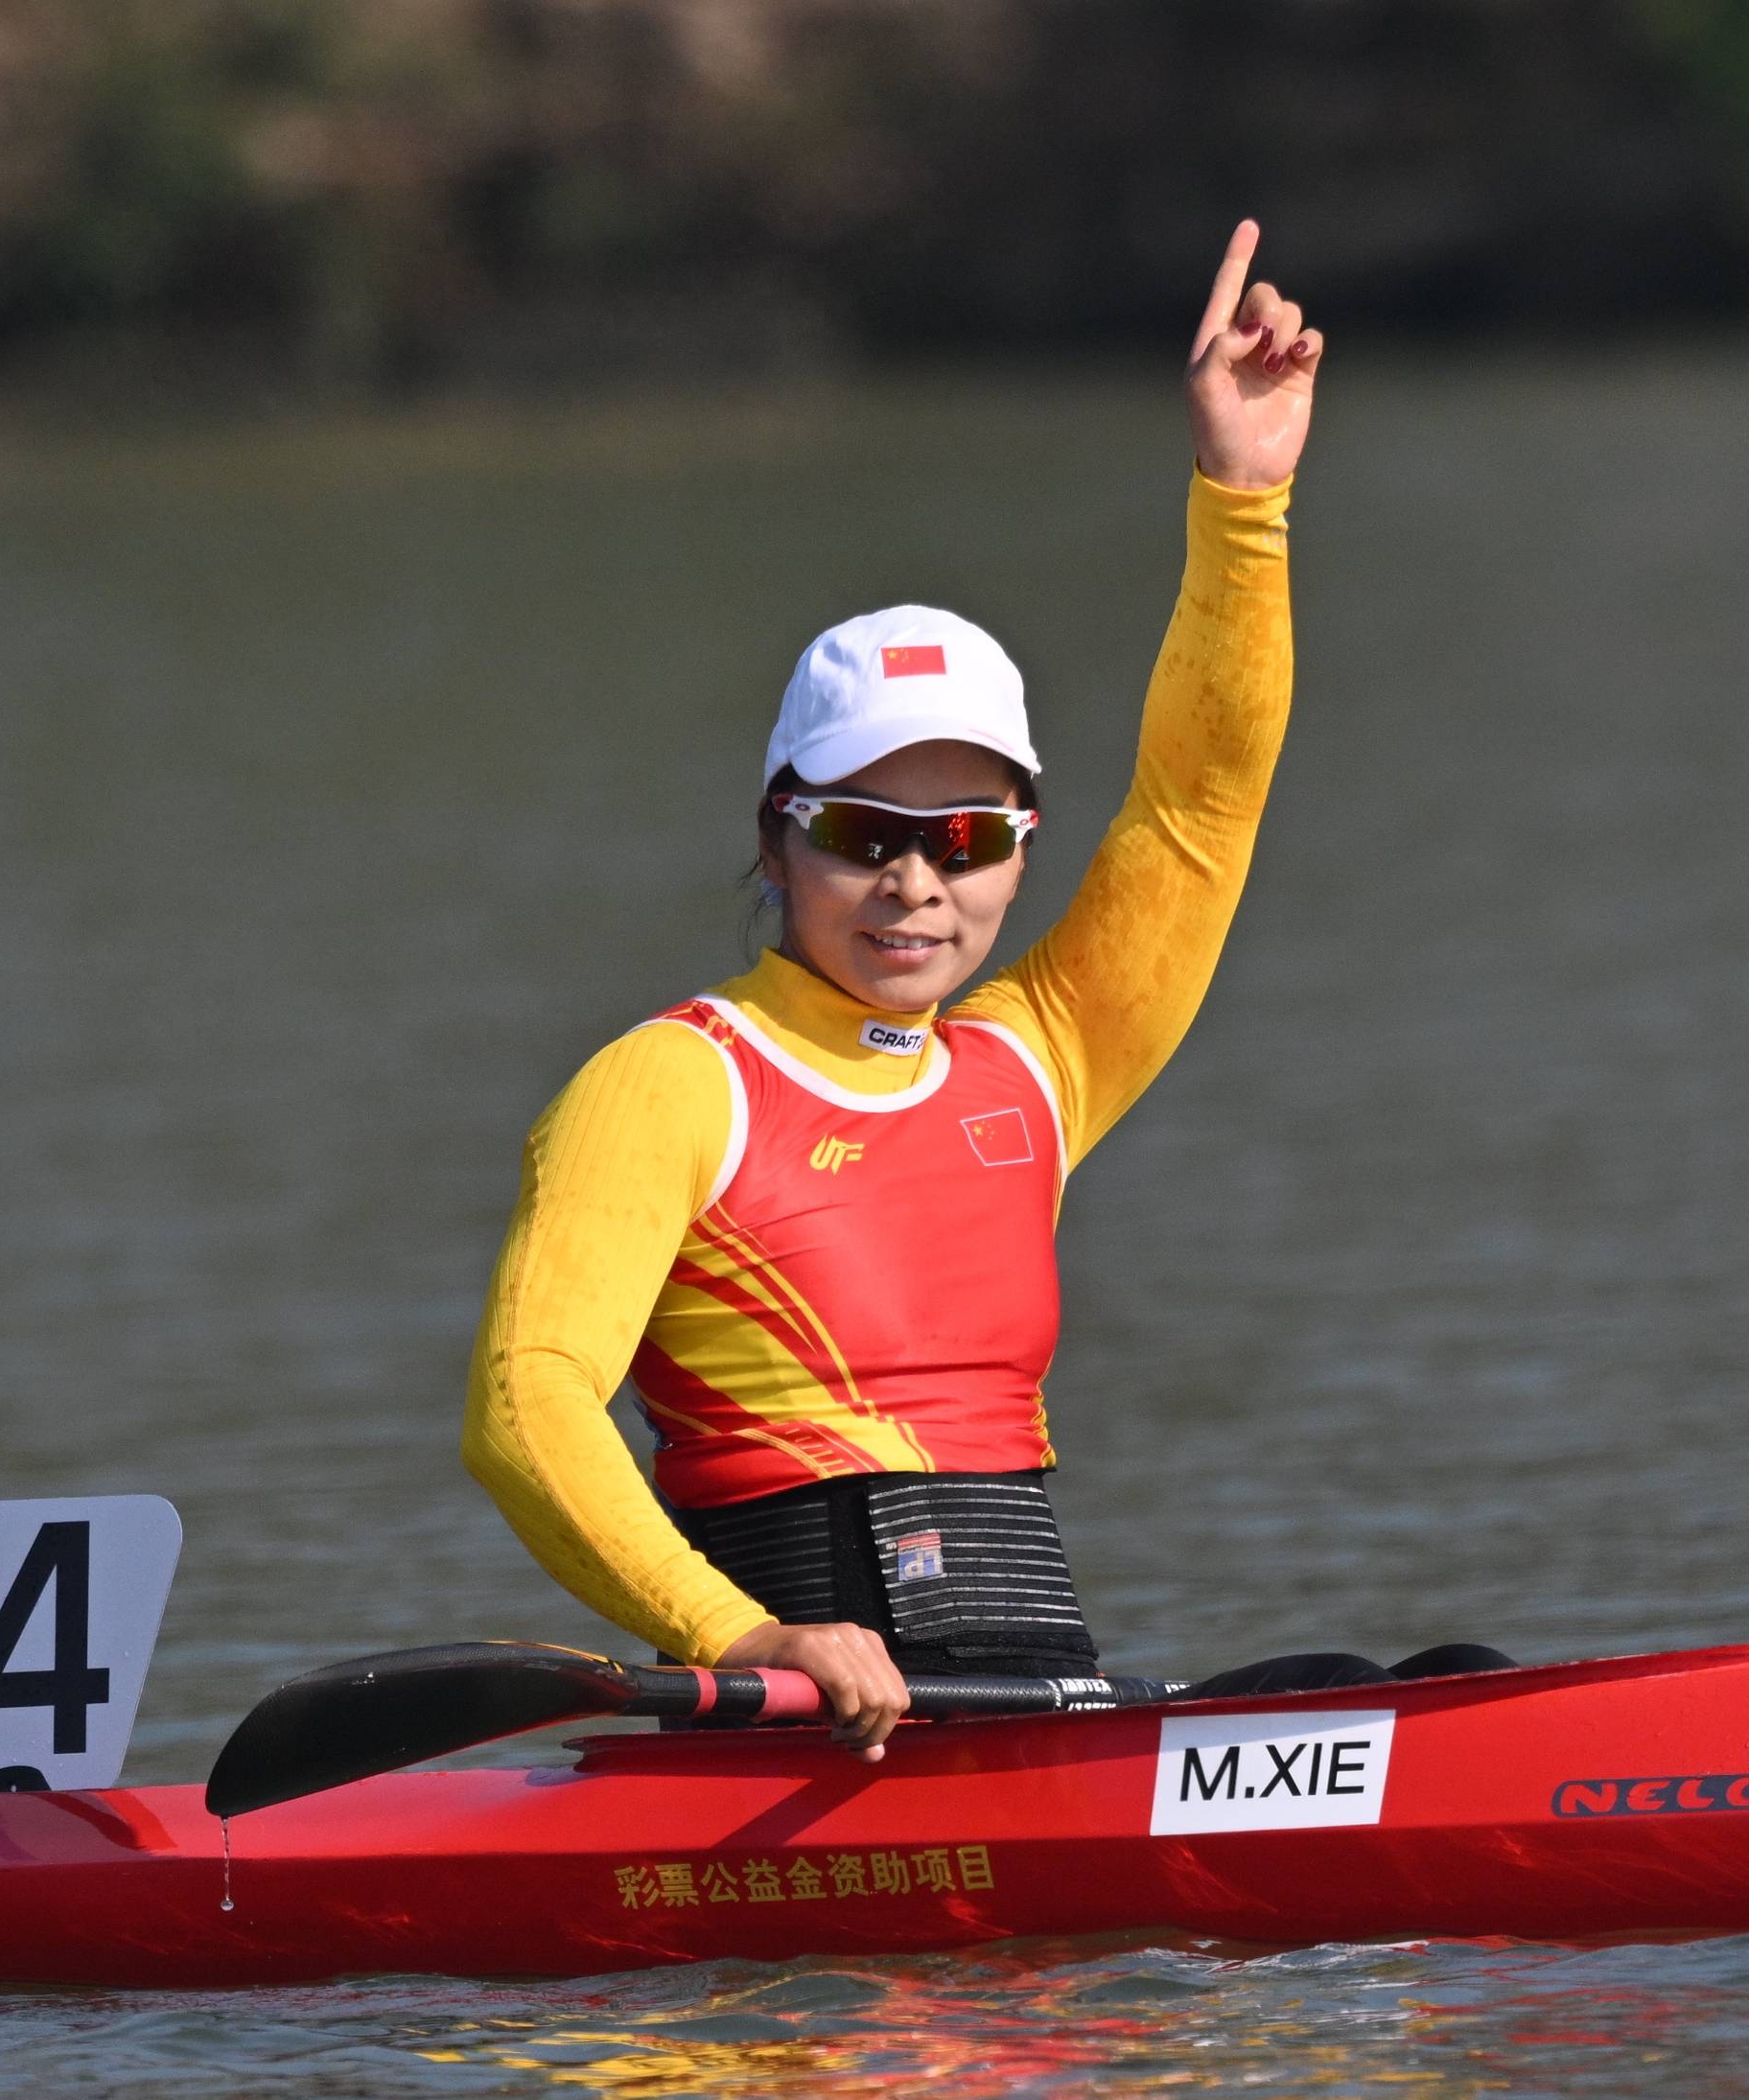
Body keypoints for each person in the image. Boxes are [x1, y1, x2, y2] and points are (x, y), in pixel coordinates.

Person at [464, 222, 1498, 1750]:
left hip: (1022, 1716)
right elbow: (526, 1405)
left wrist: (1247, 503)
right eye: (861, 834)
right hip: (791, 1746)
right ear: (777, 836)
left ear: (1018, 848)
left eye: (962, 838)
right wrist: (740, 1631)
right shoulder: (674, 1083)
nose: (914, 886)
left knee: (1438, 1686)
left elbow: (1200, 806)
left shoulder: (1035, 1060)